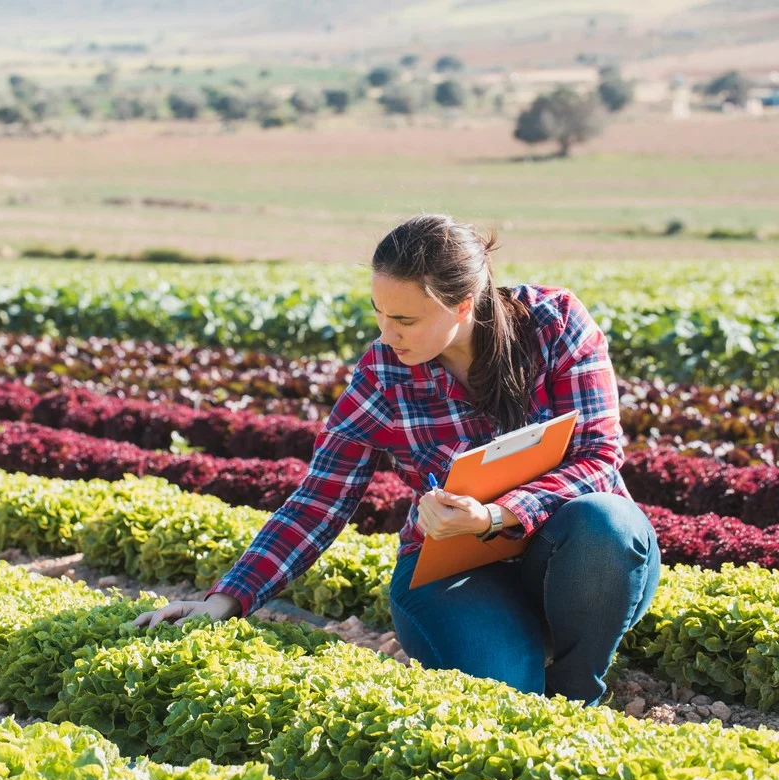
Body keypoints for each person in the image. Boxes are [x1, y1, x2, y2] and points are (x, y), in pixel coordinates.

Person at [134, 213, 662, 708]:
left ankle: (577, 691)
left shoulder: (554, 324)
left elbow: (598, 457)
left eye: (405, 319)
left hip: (577, 557)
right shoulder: (383, 374)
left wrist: (495, 515)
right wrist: (225, 600)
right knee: (507, 693)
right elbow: (319, 500)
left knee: (607, 521)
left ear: (463, 305)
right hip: (454, 572)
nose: (387, 334)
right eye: (380, 313)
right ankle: (512, 647)